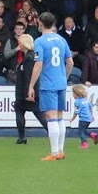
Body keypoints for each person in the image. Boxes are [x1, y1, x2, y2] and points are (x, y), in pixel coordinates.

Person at [31, 12, 75, 160]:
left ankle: (54, 153)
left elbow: (38, 64)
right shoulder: (61, 40)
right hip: (61, 83)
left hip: (48, 84)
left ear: (41, 23)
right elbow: (70, 62)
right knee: (60, 117)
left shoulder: (39, 41)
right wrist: (64, 77)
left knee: (51, 117)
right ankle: (61, 151)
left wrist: (31, 85)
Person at [10, 34, 47, 144]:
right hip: (27, 91)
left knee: (32, 112)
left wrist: (28, 91)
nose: (19, 45)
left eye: (20, 43)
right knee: (32, 112)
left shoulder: (29, 58)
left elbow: (29, 76)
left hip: (26, 92)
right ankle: (22, 137)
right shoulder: (30, 56)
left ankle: (22, 137)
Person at [69, 84, 98, 150]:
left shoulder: (77, 102)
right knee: (84, 130)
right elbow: (90, 107)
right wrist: (91, 115)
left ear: (76, 94)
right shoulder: (86, 100)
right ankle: (93, 134)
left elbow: (76, 112)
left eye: (73, 93)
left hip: (83, 119)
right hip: (88, 119)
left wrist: (72, 119)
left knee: (80, 132)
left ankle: (84, 143)